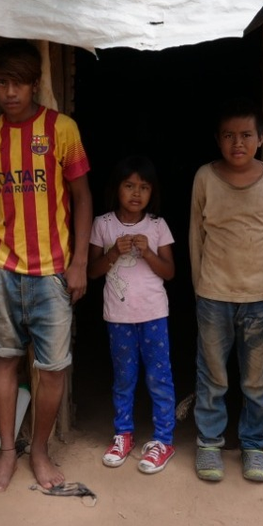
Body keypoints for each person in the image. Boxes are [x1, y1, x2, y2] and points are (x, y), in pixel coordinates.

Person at [0, 39, 92, 492]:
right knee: (4, 362)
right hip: (2, 270)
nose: (10, 92)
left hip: (53, 275)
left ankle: (39, 450)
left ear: (35, 84)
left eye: (18, 83)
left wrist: (78, 263)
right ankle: (7, 453)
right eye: (2, 83)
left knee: (53, 368)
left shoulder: (62, 130)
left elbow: (82, 198)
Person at [190, 101, 263, 484]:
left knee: (255, 378)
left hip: (260, 297)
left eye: (246, 135)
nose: (238, 143)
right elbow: (195, 235)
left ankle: (252, 446)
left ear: (262, 138)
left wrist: (260, 272)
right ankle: (209, 443)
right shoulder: (205, 177)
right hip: (213, 294)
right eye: (229, 135)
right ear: (218, 140)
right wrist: (201, 286)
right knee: (213, 374)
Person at [87, 156, 177, 474]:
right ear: (116, 189)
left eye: (144, 187)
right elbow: (93, 271)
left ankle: (163, 440)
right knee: (124, 378)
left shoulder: (156, 225)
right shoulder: (103, 224)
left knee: (159, 377)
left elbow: (170, 271)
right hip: (118, 315)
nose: (136, 193)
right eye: (129, 186)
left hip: (154, 314)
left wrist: (148, 252)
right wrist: (114, 252)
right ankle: (123, 435)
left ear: (152, 192)